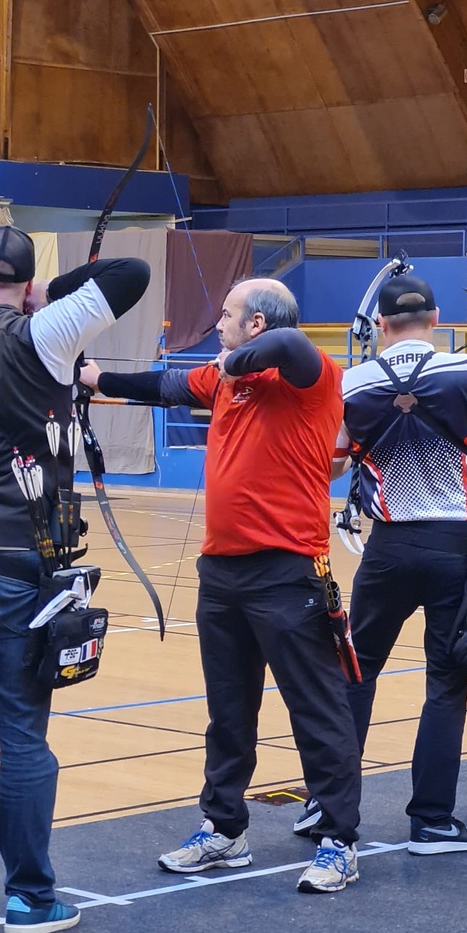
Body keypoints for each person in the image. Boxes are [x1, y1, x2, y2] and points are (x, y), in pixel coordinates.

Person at [80, 277, 362, 893]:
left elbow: (290, 343)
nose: (218, 326)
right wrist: (99, 379)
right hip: (222, 571)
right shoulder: (225, 379)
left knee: (316, 708)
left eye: (228, 316)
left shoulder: (310, 376)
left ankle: (339, 840)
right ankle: (224, 828)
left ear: (256, 324)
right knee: (228, 711)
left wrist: (232, 364)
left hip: (287, 571)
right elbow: (166, 386)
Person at [0, 224, 150, 933]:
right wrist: (52, 295)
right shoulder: (44, 332)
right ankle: (28, 899)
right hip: (22, 570)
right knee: (23, 739)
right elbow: (131, 272)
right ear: (25, 286)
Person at [331, 271, 467, 854]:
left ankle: (327, 808)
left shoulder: (352, 381)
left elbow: (335, 463)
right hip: (452, 549)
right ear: (436, 319)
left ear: (380, 324)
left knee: (356, 674)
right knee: (446, 684)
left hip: (386, 549)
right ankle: (432, 821)